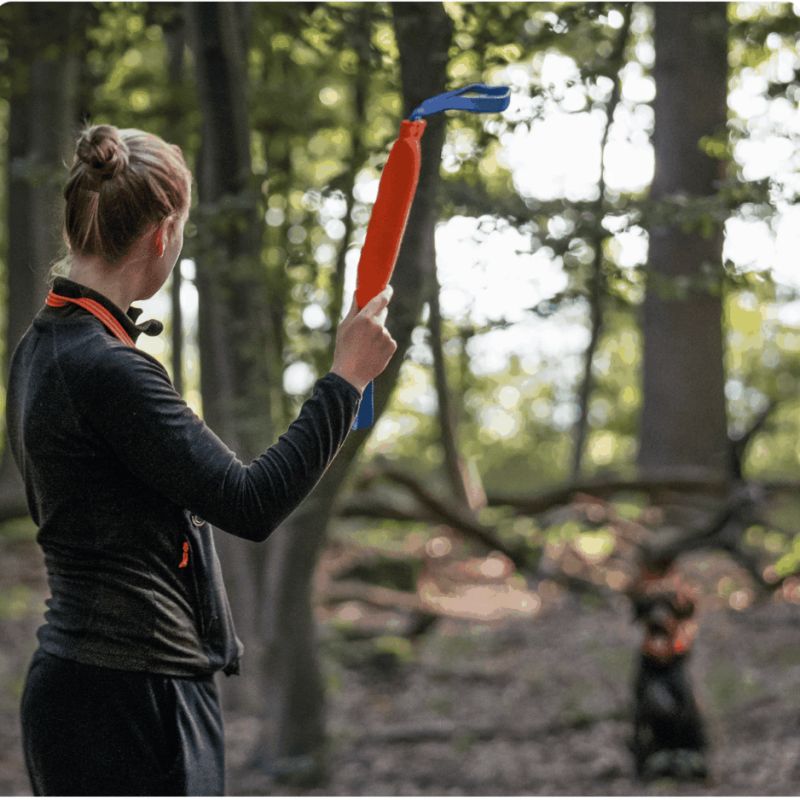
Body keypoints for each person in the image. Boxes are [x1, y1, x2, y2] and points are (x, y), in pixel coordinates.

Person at [5, 124, 397, 796]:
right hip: (134, 700)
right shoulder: (108, 369)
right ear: (162, 235)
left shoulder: (41, 349)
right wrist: (346, 380)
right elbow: (250, 502)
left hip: (91, 687)